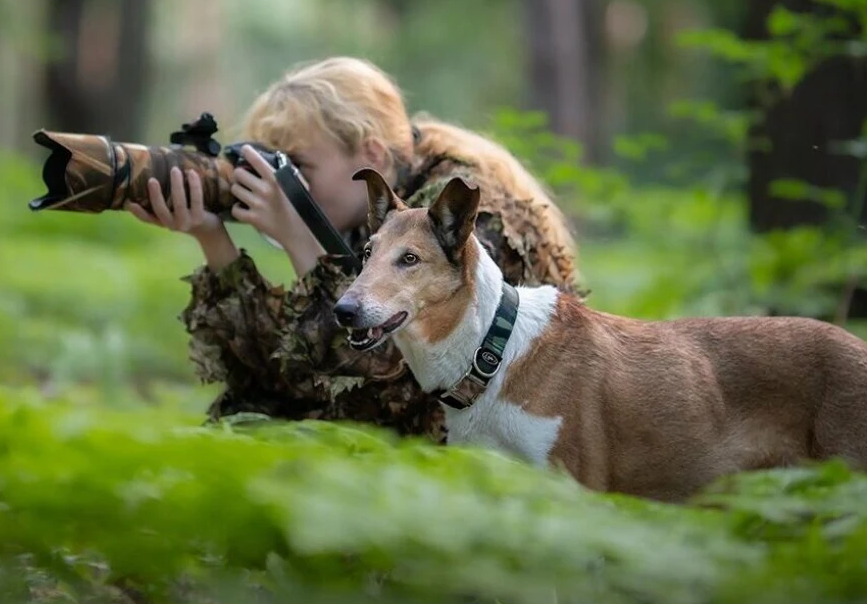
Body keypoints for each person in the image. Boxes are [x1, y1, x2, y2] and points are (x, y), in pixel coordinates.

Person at [126, 56, 581, 442]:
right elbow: (283, 367)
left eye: (298, 166)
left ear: (373, 157)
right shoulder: (361, 212)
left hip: (508, 428)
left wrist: (298, 238)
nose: (287, 185)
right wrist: (212, 236)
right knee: (249, 412)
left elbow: (385, 381)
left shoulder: (463, 208)